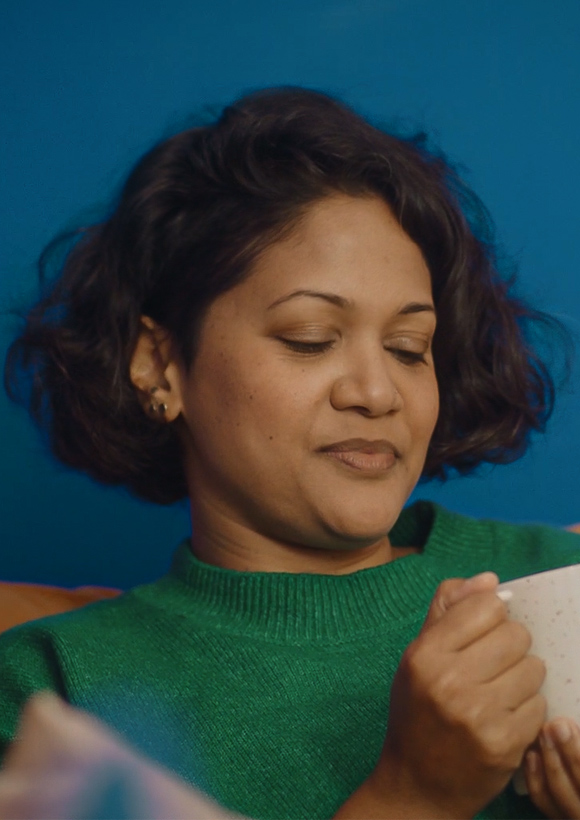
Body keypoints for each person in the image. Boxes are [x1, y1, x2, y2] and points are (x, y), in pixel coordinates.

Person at [1, 86, 580, 820]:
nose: (378, 392)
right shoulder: (50, 697)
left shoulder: (560, 583)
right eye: (310, 338)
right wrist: (414, 796)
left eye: (410, 349)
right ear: (158, 364)